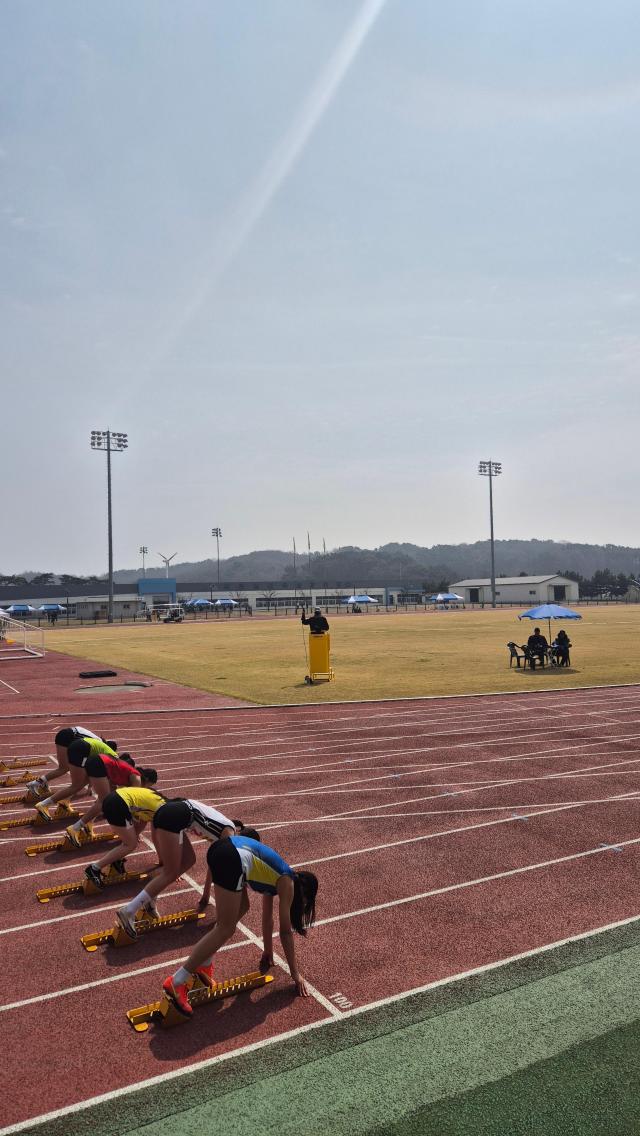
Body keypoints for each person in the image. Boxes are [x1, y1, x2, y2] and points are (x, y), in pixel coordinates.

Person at [162, 834, 319, 1015]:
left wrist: (268, 950)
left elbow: (267, 918)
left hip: (222, 849)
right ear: (304, 893)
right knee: (225, 928)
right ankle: (177, 982)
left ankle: (204, 964)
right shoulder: (288, 882)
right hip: (232, 857)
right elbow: (285, 932)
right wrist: (295, 975)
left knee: (242, 908)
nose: (304, 905)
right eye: (306, 901)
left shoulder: (275, 877)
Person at [114, 798, 256, 938]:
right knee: (171, 872)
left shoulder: (226, 831)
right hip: (174, 816)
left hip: (173, 815)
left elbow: (214, 863)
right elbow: (220, 866)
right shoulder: (229, 833)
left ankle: (150, 898)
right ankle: (128, 911)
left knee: (188, 860)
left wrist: (206, 895)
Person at [83, 784, 166, 890]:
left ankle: (115, 861)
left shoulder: (155, 803)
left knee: (130, 840)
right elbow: (156, 838)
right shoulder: (162, 811)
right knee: (130, 844)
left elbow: (141, 823)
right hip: (118, 803)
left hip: (114, 798)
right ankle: (93, 869)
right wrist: (164, 864)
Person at [63, 755, 158, 846]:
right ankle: (74, 828)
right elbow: (131, 808)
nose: (147, 789)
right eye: (149, 786)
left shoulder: (130, 777)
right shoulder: (136, 780)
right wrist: (130, 832)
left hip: (98, 763)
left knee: (104, 799)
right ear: (147, 780)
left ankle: (88, 824)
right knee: (104, 800)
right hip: (100, 763)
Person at [33, 734, 119, 819]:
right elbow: (110, 786)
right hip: (81, 749)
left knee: (82, 782)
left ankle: (64, 802)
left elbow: (93, 774)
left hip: (76, 745)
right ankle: (43, 804)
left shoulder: (105, 752)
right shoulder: (115, 760)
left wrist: (91, 786)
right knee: (76, 786)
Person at [26, 727, 117, 801]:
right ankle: (35, 784)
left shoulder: (97, 742)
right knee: (64, 768)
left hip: (66, 735)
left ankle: (42, 782)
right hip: (68, 737)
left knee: (64, 767)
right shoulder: (98, 745)